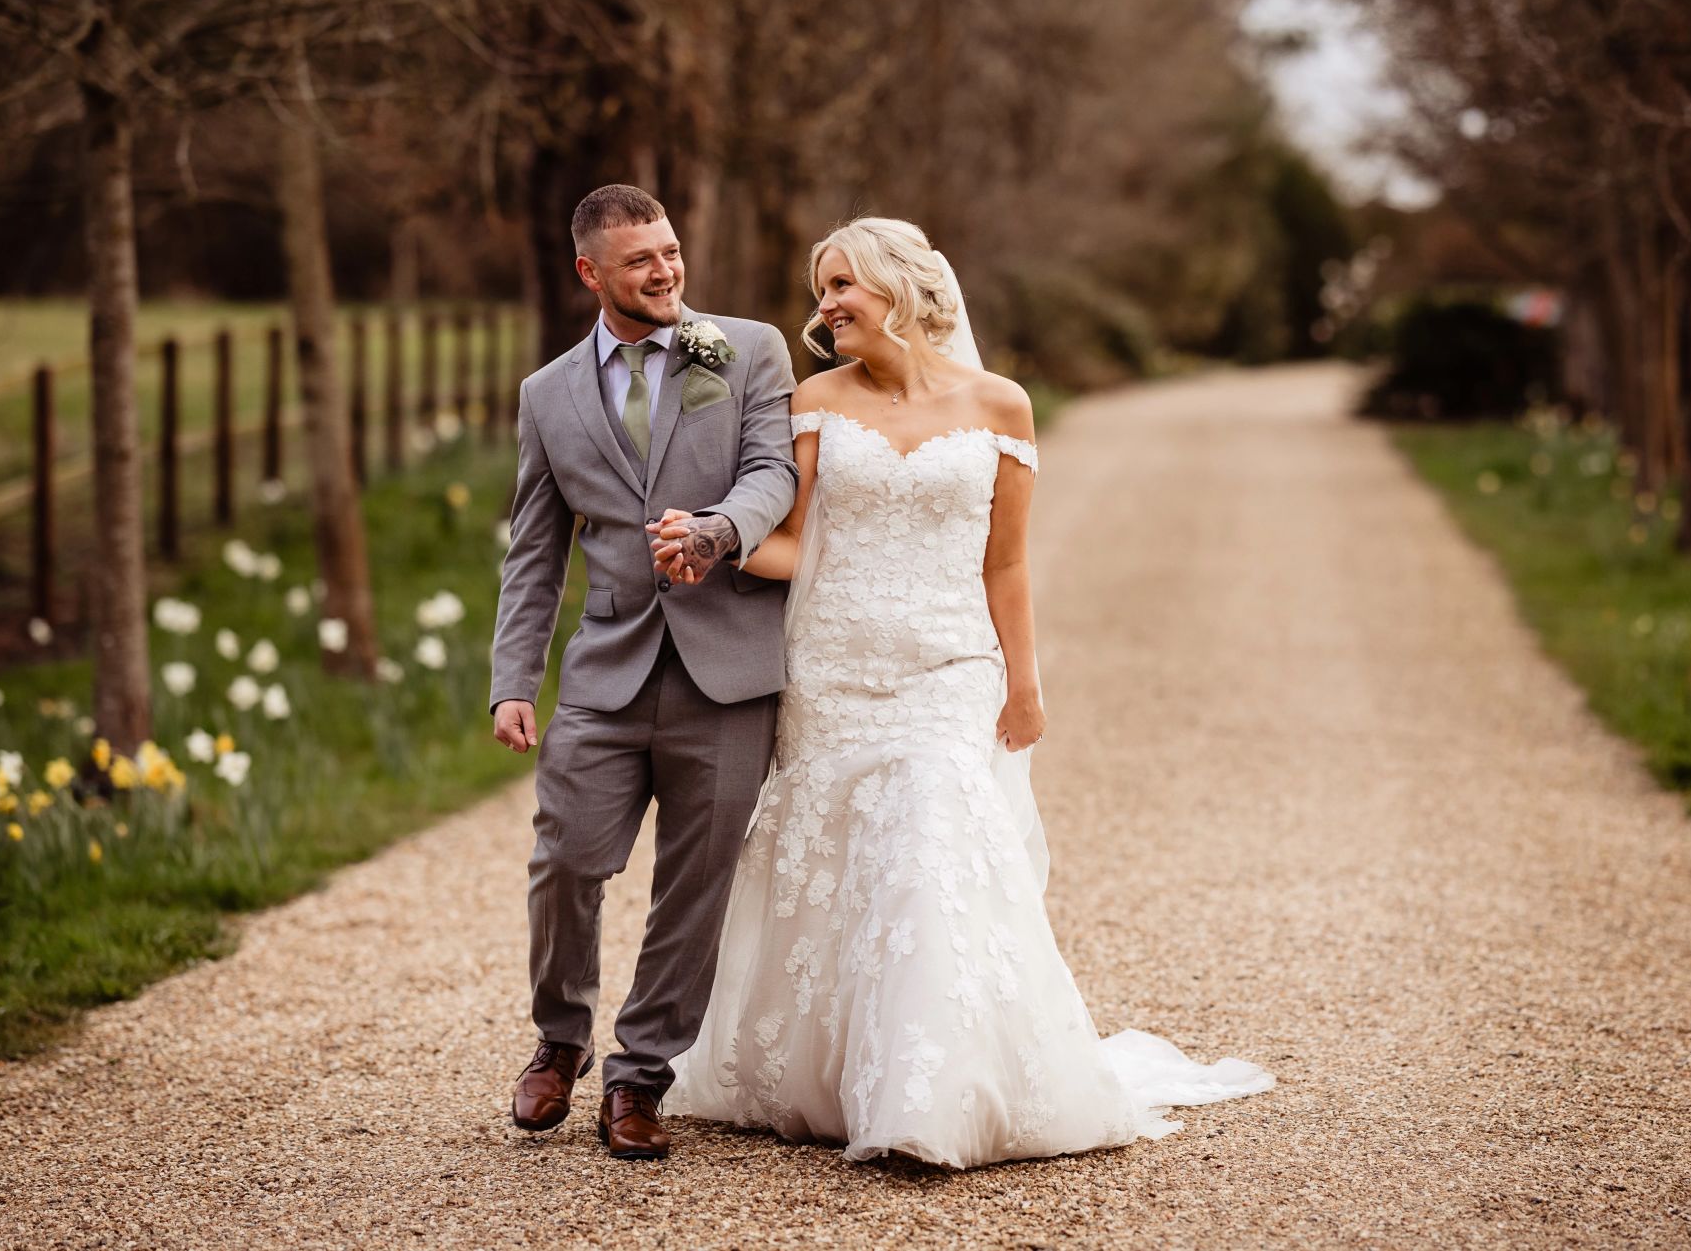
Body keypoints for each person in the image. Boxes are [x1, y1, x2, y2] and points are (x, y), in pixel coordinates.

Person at [651, 217, 1274, 1168]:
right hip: (835, 665)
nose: (825, 307)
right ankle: (837, 1070)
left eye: (841, 285)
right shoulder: (814, 400)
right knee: (843, 855)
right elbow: (795, 540)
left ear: (899, 286)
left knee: (932, 824)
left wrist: (1025, 684)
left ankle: (924, 1095)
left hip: (950, 669)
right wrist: (713, 540)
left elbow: (1008, 562)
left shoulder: (1001, 405)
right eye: (822, 289)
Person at [489, 184, 798, 1160]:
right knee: (565, 860)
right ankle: (559, 1036)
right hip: (604, 674)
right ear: (591, 273)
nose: (665, 271)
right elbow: (534, 551)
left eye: (669, 251)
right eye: (640, 262)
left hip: (728, 671)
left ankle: (637, 1076)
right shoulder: (547, 395)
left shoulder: (747, 348)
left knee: (691, 885)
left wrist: (719, 530)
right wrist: (513, 679)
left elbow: (771, 471)